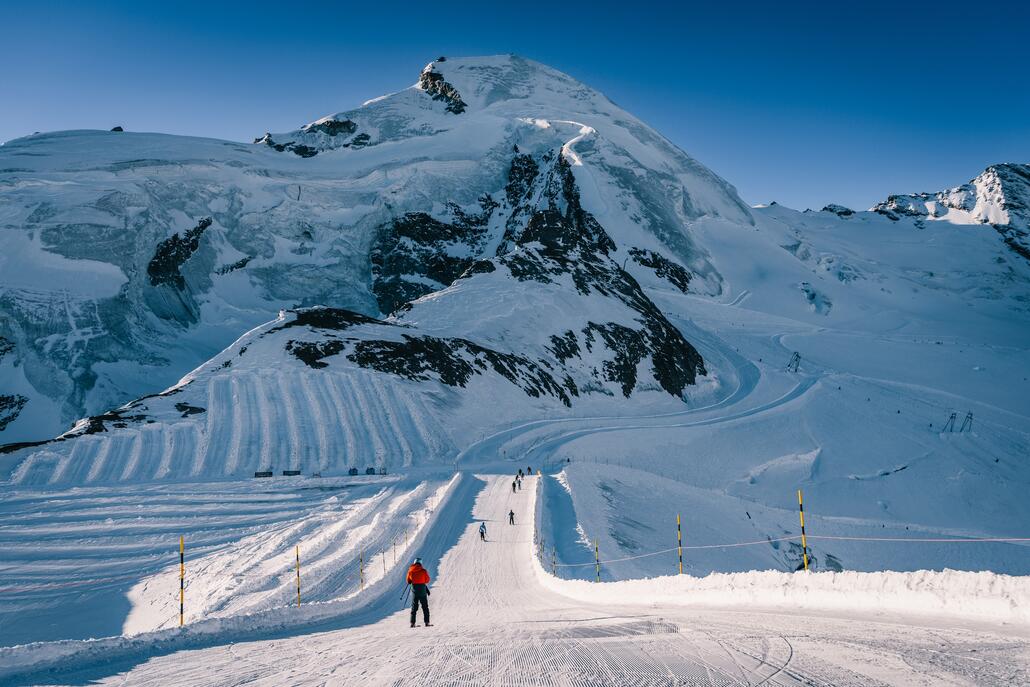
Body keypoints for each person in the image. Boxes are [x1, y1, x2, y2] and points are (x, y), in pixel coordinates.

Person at [406, 557, 432, 627]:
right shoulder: (423, 571)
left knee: (414, 607)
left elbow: (408, 581)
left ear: (414, 563)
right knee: (425, 607)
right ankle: (427, 622)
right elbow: (427, 580)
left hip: (415, 591)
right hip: (422, 591)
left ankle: (412, 623)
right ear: (420, 563)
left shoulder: (410, 571)